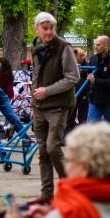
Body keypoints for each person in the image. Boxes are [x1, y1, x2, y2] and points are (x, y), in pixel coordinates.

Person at [30, 11, 79, 201]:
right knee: (43, 151)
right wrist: (34, 101)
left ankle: (69, 187)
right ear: (37, 29)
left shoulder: (63, 47)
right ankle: (47, 194)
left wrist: (47, 91)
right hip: (39, 106)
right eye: (45, 28)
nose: (49, 32)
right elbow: (36, 77)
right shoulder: (36, 47)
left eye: (51, 28)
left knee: (52, 147)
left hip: (58, 105)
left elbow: (73, 77)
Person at [87, 35, 110, 124]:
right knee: (91, 127)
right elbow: (87, 73)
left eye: (98, 45)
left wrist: (95, 80)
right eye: (95, 44)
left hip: (109, 101)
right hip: (94, 100)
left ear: (106, 45)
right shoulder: (93, 59)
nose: (95, 47)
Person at [65, 48, 90, 135]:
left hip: (84, 94)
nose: (83, 57)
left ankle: (83, 138)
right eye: (81, 55)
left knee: (83, 117)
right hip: (71, 95)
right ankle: (66, 137)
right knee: (70, 117)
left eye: (84, 55)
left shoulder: (87, 65)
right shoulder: (68, 65)